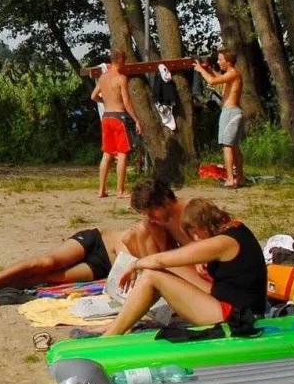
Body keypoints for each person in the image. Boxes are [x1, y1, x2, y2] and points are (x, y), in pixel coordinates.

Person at [101, 198, 267, 335]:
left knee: (151, 276)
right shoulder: (235, 228)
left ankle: (111, 335)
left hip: (235, 317)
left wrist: (135, 265)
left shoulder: (222, 243)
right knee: (156, 272)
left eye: (193, 234)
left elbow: (162, 260)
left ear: (198, 229)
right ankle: (121, 324)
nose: (195, 239)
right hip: (229, 304)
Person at [0, 212, 170, 299]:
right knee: (46, 263)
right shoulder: (150, 230)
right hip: (97, 241)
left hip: (104, 267)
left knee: (46, 278)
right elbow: (130, 240)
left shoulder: (168, 252)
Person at [91, 49, 137, 198]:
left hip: (106, 117)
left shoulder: (103, 78)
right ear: (121, 60)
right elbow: (127, 102)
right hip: (119, 117)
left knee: (107, 154)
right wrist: (136, 120)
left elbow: (93, 96)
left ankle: (101, 190)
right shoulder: (121, 78)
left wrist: (105, 102)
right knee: (122, 154)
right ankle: (120, 190)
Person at [197, 49, 246, 188]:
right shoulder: (230, 75)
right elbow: (218, 78)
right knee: (233, 147)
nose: (218, 62)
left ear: (228, 61)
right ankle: (240, 178)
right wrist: (210, 69)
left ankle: (230, 179)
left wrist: (201, 70)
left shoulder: (234, 74)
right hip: (231, 112)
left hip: (230, 112)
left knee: (227, 146)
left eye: (220, 59)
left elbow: (212, 81)